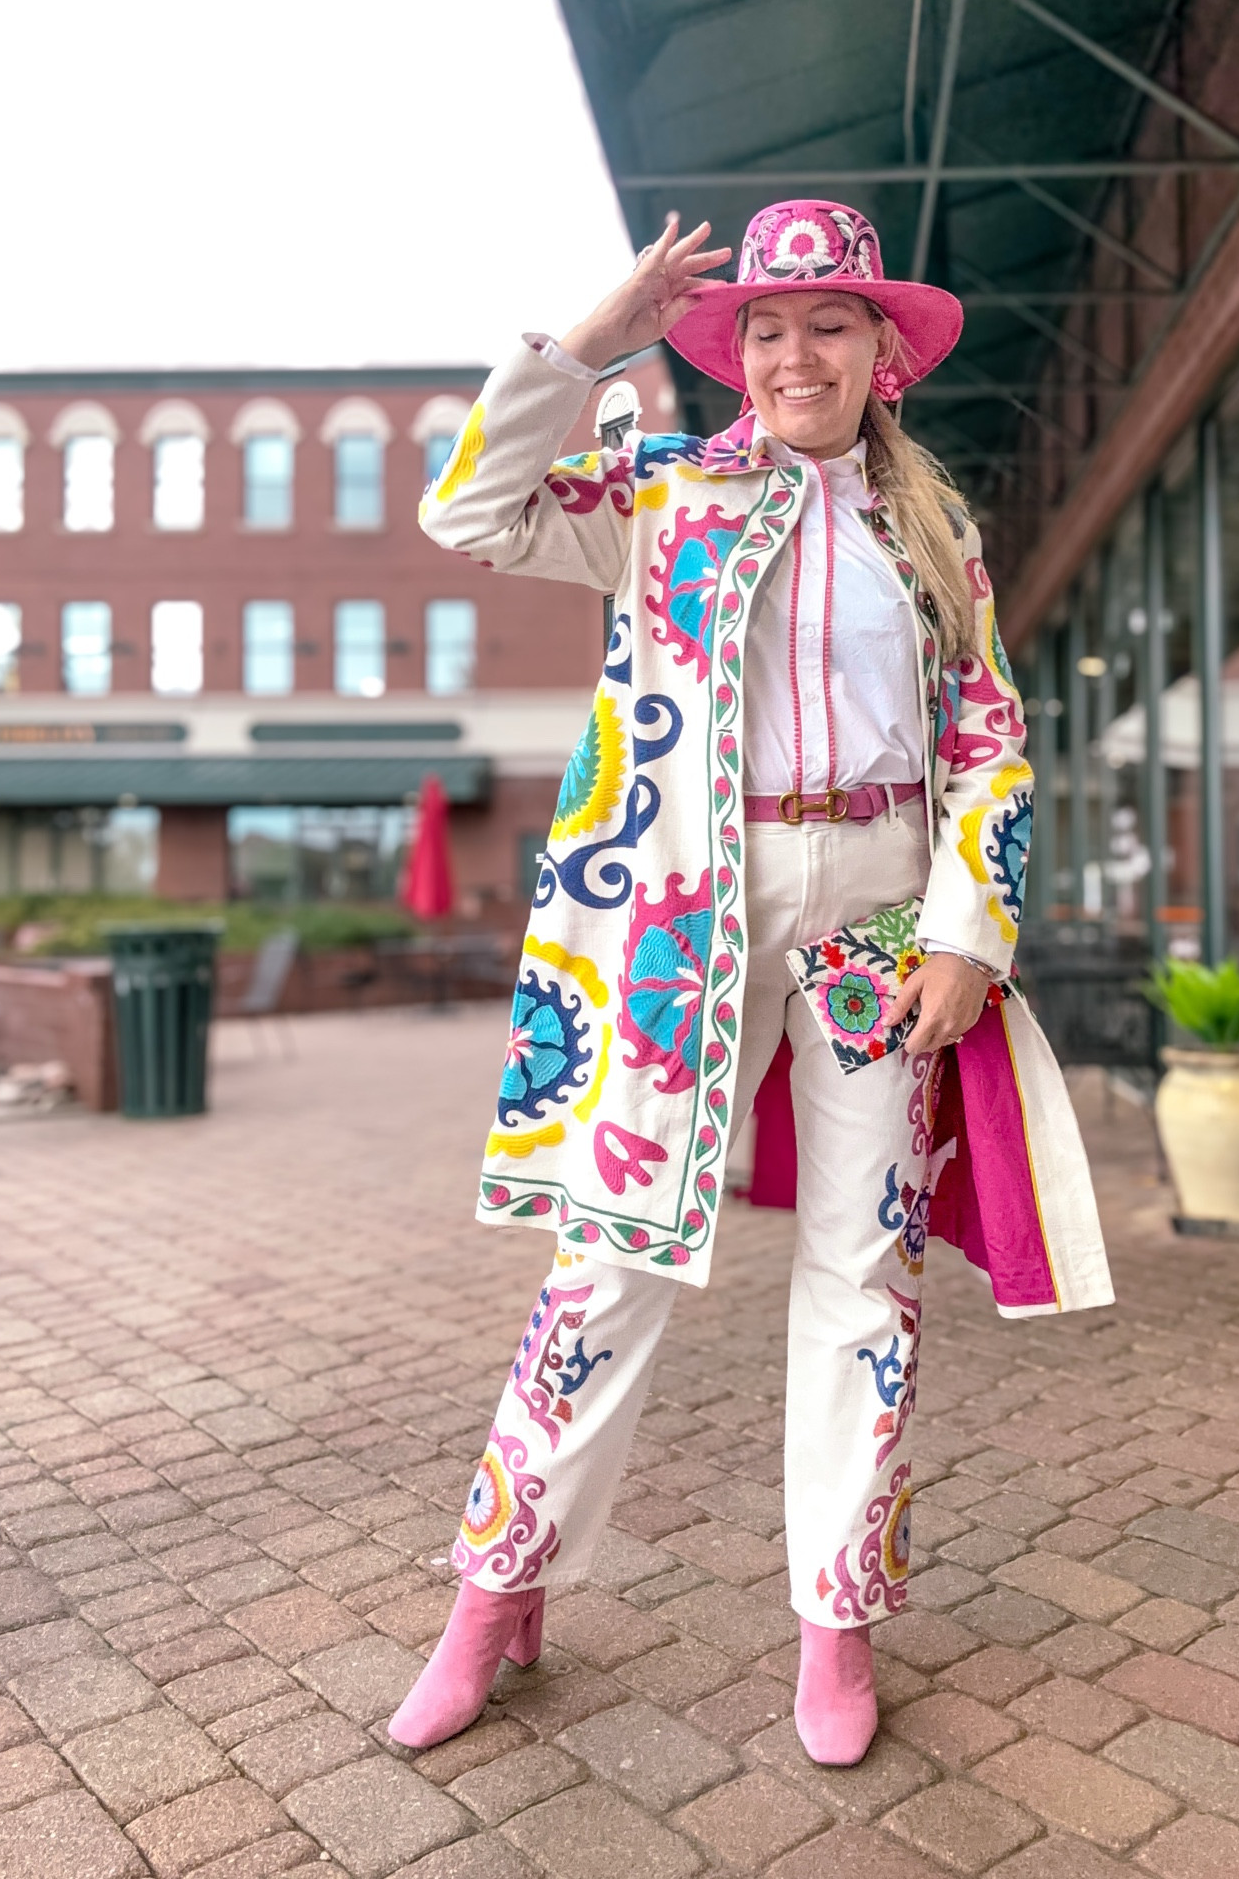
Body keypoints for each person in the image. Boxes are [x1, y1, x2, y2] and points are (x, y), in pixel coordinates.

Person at [388, 199, 1111, 1766]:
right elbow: (467, 509)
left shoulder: (938, 533)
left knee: (865, 1273)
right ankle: (492, 1590)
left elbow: (987, 732)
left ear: (882, 353)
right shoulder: (656, 490)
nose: (797, 352)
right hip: (682, 926)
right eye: (768, 329)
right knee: (612, 1260)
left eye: (829, 325)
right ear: (732, 353)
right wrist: (591, 338)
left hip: (878, 928)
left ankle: (836, 1622)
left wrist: (969, 932)